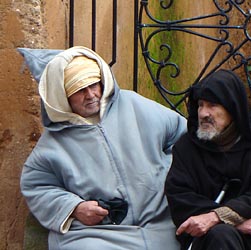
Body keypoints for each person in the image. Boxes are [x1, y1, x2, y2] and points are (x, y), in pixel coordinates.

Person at [20, 46, 187, 249]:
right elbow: (37, 186)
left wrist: (165, 175)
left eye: (94, 84)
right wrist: (75, 207)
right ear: (62, 96)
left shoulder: (134, 105)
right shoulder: (51, 145)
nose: (91, 94)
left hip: (163, 219)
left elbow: (183, 137)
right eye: (80, 90)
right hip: (99, 234)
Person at [164, 69, 251, 250]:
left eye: (212, 105)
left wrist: (217, 217)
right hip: (209, 239)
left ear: (233, 108)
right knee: (221, 236)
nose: (203, 113)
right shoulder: (186, 147)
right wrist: (232, 222)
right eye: (200, 105)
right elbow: (181, 199)